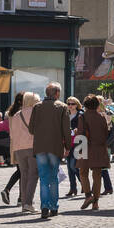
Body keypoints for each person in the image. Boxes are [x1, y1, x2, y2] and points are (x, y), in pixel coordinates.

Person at [30, 83, 71, 220]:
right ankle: (53, 207)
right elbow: (66, 129)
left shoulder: (37, 107)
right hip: (55, 146)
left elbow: (31, 129)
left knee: (43, 178)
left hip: (40, 147)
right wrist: (68, 146)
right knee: (53, 178)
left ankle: (44, 207)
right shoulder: (62, 107)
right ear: (57, 94)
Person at [1, 92, 41, 212]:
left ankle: (24, 202)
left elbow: (12, 134)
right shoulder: (35, 112)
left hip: (19, 148)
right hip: (32, 147)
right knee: (33, 175)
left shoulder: (16, 114)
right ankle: (28, 203)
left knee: (24, 175)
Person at [76, 95, 111, 211]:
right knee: (97, 176)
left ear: (85, 105)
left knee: (83, 173)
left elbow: (81, 134)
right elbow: (106, 133)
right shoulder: (101, 117)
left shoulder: (83, 117)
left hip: (84, 147)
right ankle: (95, 202)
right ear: (97, 105)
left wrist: (78, 150)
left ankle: (88, 196)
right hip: (99, 148)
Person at [64, 97, 83, 197]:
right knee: (69, 167)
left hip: (79, 143)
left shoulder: (80, 115)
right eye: (68, 104)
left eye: (72, 104)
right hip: (68, 142)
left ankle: (84, 184)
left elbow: (83, 128)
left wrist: (77, 129)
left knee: (73, 165)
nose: (70, 106)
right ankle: (73, 188)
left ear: (77, 104)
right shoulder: (66, 115)